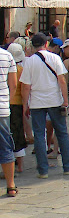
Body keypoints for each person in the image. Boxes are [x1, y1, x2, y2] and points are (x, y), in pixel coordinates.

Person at [20, 32, 69, 179]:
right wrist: (65, 100)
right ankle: (67, 166)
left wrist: (25, 104)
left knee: (39, 135)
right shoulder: (55, 58)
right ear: (46, 44)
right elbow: (62, 80)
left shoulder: (29, 62)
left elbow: (26, 86)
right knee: (62, 133)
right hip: (55, 100)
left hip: (36, 102)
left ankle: (43, 170)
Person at [0, 44, 17, 196]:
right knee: (5, 145)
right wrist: (7, 103)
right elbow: (13, 85)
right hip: (2, 108)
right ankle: (11, 186)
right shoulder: (7, 56)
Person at [7, 42, 26, 174]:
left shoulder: (5, 69)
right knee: (18, 132)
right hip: (18, 104)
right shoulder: (21, 70)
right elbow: (24, 89)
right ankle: (20, 166)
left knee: (7, 133)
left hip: (6, 102)